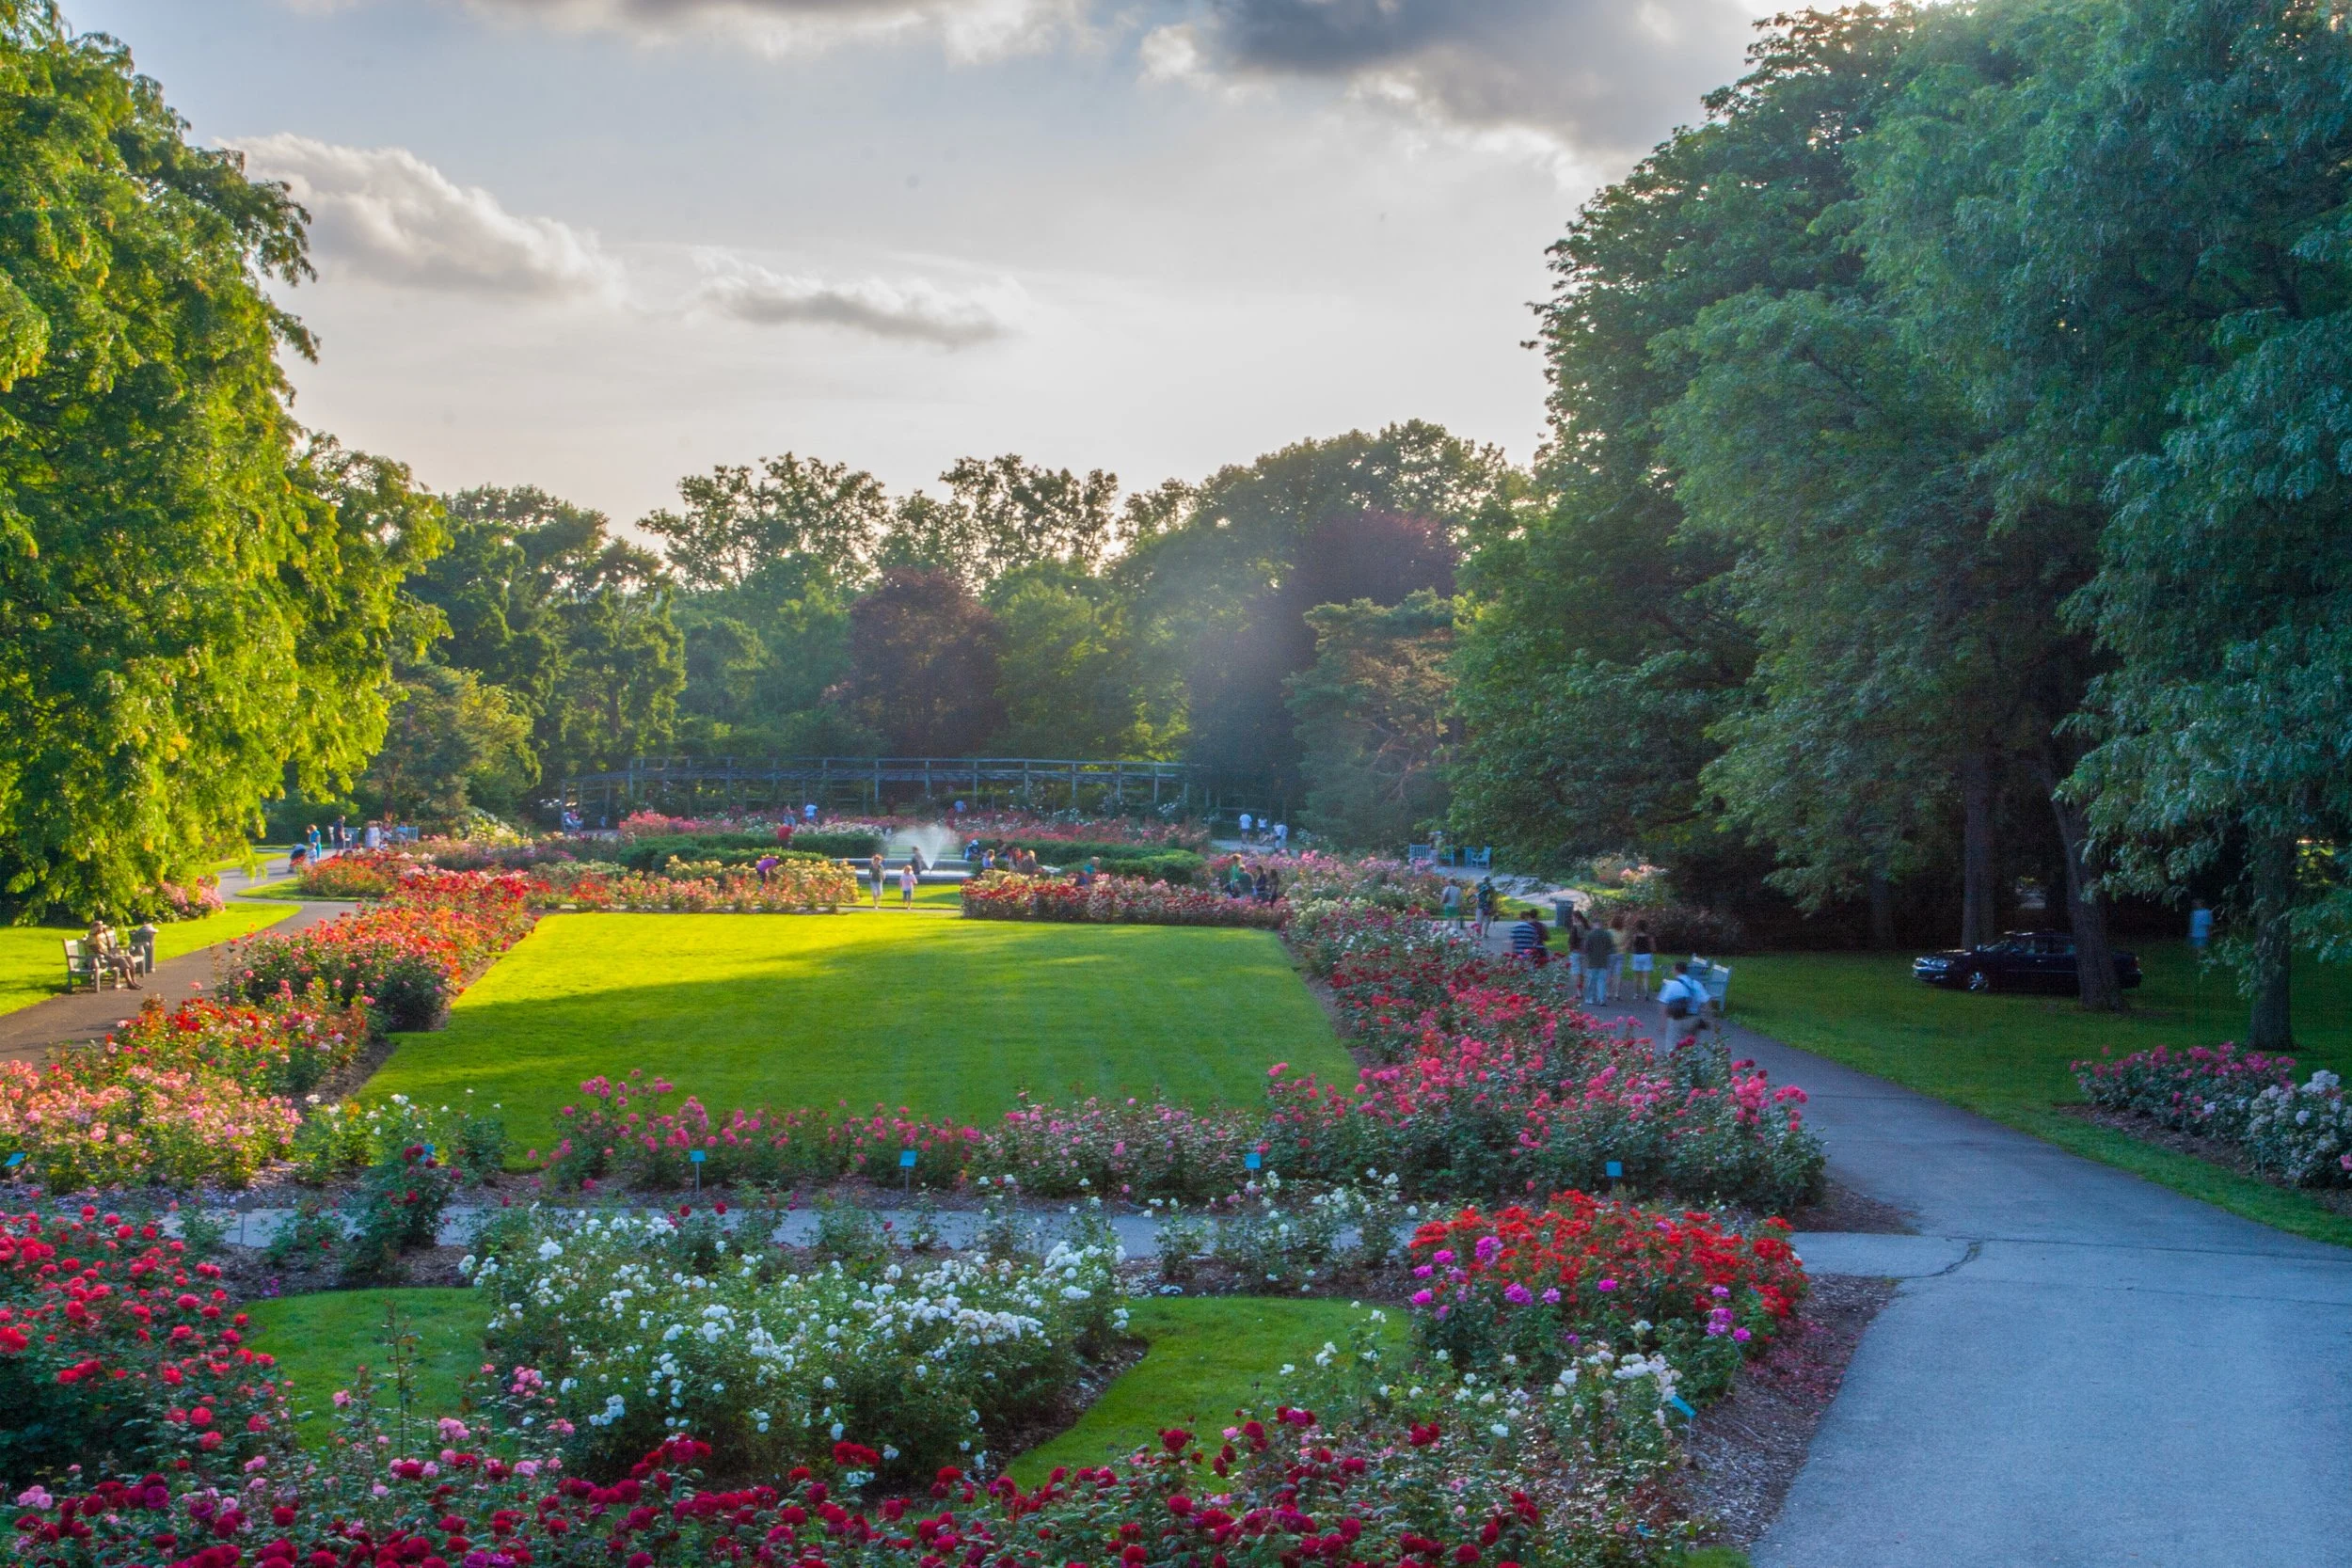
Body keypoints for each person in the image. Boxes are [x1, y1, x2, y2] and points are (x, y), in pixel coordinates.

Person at [1660, 960, 1708, 1050]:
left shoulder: (1672, 985)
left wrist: (1663, 1022)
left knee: (1672, 1044)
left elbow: (1664, 1003)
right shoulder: (1696, 984)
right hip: (1694, 1019)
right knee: (1691, 1044)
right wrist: (1709, 1018)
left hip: (1677, 1018)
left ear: (1676, 970)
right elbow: (1706, 1001)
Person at [86, 919, 139, 989]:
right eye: (100, 928)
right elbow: (97, 951)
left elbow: (109, 948)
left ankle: (134, 981)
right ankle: (129, 983)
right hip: (98, 960)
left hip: (106, 957)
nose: (102, 930)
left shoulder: (98, 937)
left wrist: (106, 935)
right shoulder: (91, 939)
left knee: (128, 957)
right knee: (121, 960)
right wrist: (108, 955)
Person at [1580, 917, 1614, 1007]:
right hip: (1603, 961)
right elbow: (1610, 948)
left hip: (1592, 961)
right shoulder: (1607, 934)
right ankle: (1601, 999)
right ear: (1601, 924)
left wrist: (1585, 957)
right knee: (1601, 981)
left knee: (1591, 980)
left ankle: (1590, 998)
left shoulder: (1590, 935)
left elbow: (1586, 948)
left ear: (1593, 924)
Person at [1629, 919, 1656, 999]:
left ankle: (1636, 994)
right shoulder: (1649, 937)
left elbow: (1632, 947)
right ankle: (1646, 994)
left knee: (1637, 977)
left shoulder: (1635, 936)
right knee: (1646, 977)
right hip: (1647, 955)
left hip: (1637, 955)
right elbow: (1653, 948)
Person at [1606, 914, 1629, 1001]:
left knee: (1609, 973)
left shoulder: (1609, 932)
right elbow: (1626, 943)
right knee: (1618, 974)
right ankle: (1617, 994)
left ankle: (1608, 992)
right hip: (1621, 953)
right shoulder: (1624, 932)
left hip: (1611, 953)